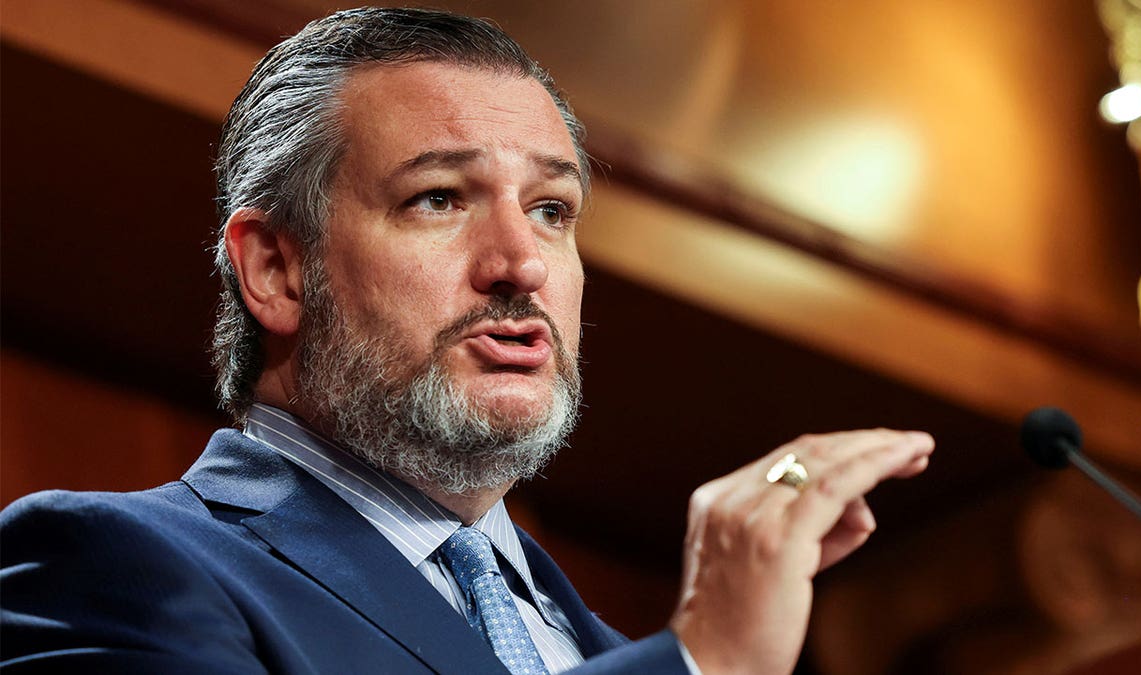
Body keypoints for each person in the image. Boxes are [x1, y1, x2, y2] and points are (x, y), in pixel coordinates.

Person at [0, 7, 934, 674]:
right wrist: (701, 658)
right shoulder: (109, 564)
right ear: (277, 270)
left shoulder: (605, 650)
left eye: (551, 208)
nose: (520, 263)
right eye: (437, 199)